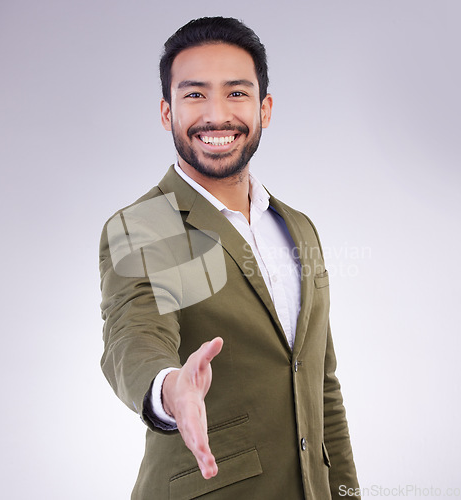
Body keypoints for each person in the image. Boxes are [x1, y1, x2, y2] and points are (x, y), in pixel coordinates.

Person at [100, 16, 360, 500]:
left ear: (265, 109)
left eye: (236, 93)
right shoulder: (153, 225)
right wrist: (168, 389)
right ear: (166, 112)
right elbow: (136, 332)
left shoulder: (297, 227)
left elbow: (321, 385)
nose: (216, 115)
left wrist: (346, 494)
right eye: (195, 94)